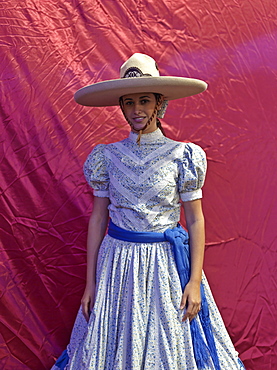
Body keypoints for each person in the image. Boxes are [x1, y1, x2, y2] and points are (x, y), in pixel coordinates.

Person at [52, 53, 245, 369]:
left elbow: (195, 219)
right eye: (129, 102)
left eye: (144, 100)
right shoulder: (107, 157)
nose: (136, 109)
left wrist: (194, 281)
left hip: (164, 265)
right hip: (117, 263)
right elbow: (98, 218)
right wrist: (91, 283)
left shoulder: (182, 156)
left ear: (159, 103)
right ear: (122, 106)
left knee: (167, 340)